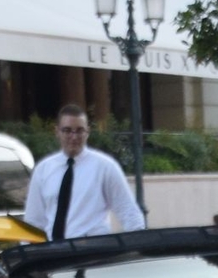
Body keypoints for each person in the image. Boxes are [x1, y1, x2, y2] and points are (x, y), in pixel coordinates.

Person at [22, 103, 145, 240]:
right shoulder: (43, 170)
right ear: (57, 131)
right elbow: (33, 221)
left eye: (80, 130)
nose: (74, 137)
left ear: (88, 132)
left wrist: (140, 246)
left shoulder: (105, 167)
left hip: (92, 252)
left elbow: (128, 211)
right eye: (67, 130)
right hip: (55, 253)